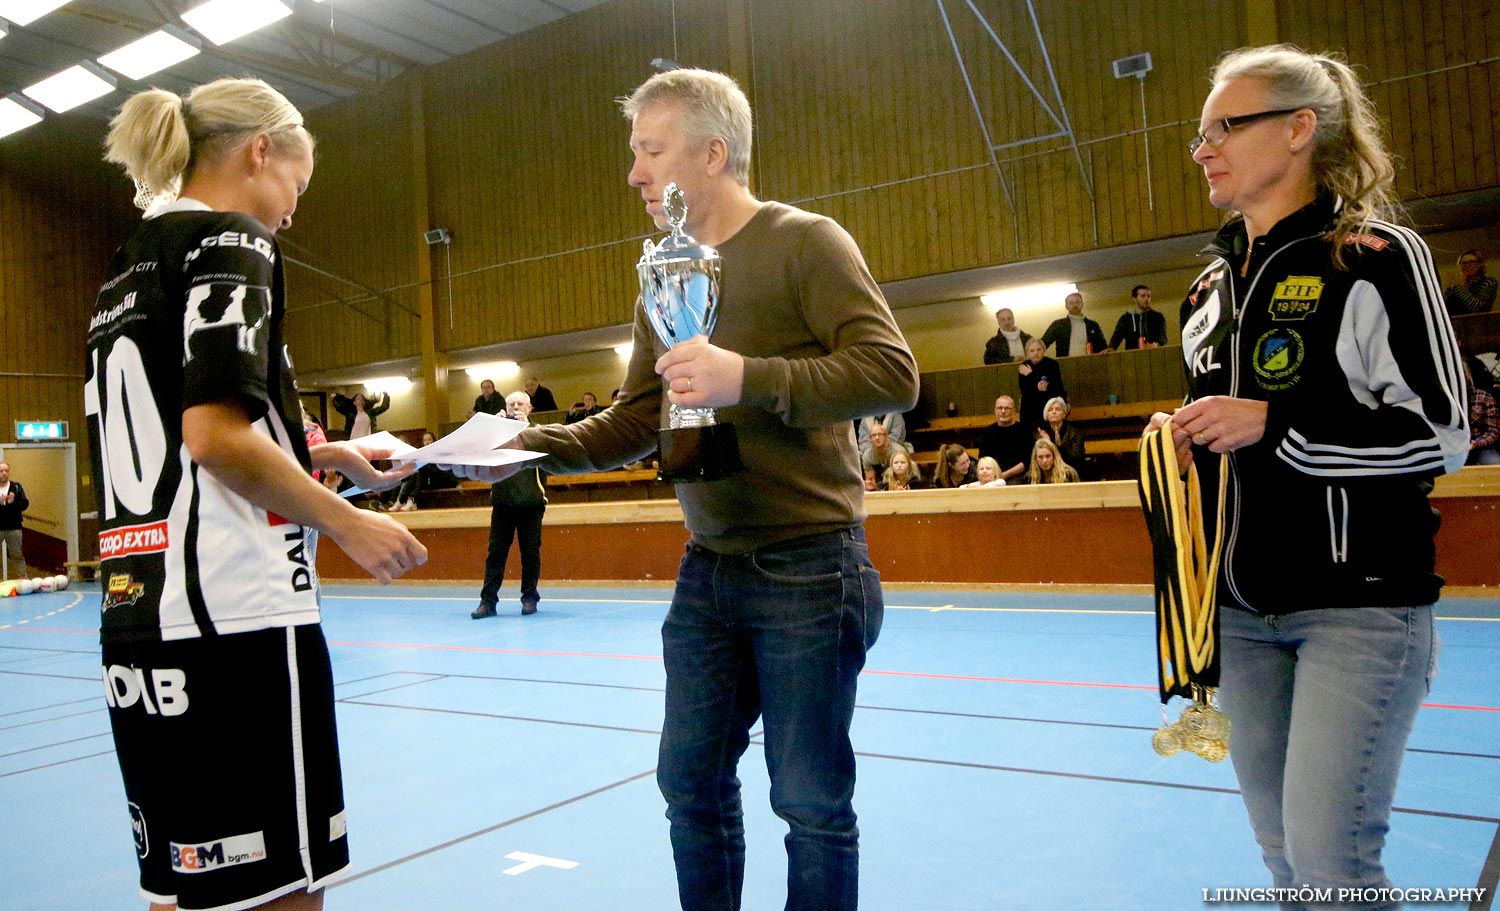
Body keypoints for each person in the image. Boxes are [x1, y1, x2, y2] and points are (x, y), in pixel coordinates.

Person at [450, 67, 918, 911]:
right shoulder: (660, 274)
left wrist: (747, 376)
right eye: (634, 153)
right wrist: (526, 448)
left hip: (809, 565)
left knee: (810, 801)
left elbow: (892, 373)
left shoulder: (807, 241)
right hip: (708, 567)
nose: (634, 173)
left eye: (650, 151)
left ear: (713, 153)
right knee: (689, 783)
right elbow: (636, 415)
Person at [91, 77, 428, 911]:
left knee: (180, 887)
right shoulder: (231, 242)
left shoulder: (128, 262)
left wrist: (324, 452)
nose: (291, 212)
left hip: (139, 615)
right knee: (284, 888)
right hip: (238, 617)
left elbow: (181, 439)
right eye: (296, 187)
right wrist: (347, 520)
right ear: (260, 151)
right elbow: (215, 440)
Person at [1154, 45, 1468, 908]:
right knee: (1285, 861)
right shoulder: (1205, 295)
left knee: (1334, 867)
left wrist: (1275, 426)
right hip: (1243, 616)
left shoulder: (1373, 259)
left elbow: (1442, 433)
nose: (1204, 147)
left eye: (1227, 125)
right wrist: (1186, 442)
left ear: (1298, 130)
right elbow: (1228, 449)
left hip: (1358, 610)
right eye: (1200, 133)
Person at [472, 392, 546, 618]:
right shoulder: (496, 434)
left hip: (531, 503)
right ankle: (488, 601)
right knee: (495, 553)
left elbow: (548, 458)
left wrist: (527, 431)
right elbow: (478, 454)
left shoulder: (540, 431)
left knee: (530, 553)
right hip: (503, 503)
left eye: (520, 403)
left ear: (530, 407)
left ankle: (530, 597)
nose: (515, 407)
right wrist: (492, 430)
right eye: (511, 403)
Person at [976, 395, 1031, 482]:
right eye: (1000, 408)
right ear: (995, 410)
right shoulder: (988, 432)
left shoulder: (1024, 431)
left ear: (1014, 411)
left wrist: (1004, 475)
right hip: (992, 476)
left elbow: (1027, 461)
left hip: (1018, 476)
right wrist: (994, 475)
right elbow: (983, 458)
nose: (1003, 411)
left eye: (1007, 408)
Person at [1017, 337, 1065, 432]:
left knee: (1050, 402)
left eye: (1039, 350)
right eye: (1032, 350)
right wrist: (1037, 386)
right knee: (1026, 401)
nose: (1036, 353)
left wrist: (1031, 375)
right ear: (1027, 353)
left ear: (1044, 350)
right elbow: (1025, 390)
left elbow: (1056, 387)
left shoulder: (1052, 364)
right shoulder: (1024, 366)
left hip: (1050, 399)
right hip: (1031, 402)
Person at [1040, 291, 1107, 357]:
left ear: (1082, 304)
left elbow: (1103, 348)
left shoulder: (1093, 325)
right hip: (1065, 364)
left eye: (1077, 302)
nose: (1075, 305)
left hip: (1090, 363)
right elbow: (1042, 344)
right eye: (1071, 303)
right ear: (1066, 306)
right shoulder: (1058, 325)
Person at [1035, 396, 1087, 475]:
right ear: (1046, 415)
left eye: (1057, 409)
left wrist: (1060, 446)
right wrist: (1048, 444)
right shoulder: (1040, 434)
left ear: (1064, 414)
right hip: (1046, 473)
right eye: (1050, 410)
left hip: (1070, 472)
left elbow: (1078, 460)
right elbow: (1036, 460)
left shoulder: (1075, 434)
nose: (1054, 412)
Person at [1108, 285, 1169, 350]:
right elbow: (1117, 337)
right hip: (1132, 356)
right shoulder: (1126, 318)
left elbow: (1163, 337)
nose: (1146, 299)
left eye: (1148, 296)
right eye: (1143, 296)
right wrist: (1111, 348)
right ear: (1134, 298)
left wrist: (1155, 344)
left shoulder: (1157, 317)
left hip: (1153, 354)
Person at [1464, 359, 1500, 465]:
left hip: (1480, 448)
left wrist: (1475, 443)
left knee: (1494, 463)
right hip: (1452, 450)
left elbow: (1493, 432)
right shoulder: (1445, 400)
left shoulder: (1484, 397)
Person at [1444, 249, 1496, 316]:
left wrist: (1459, 288)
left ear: (1480, 264)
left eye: (1471, 262)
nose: (1467, 265)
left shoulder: (1489, 282)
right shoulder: (1455, 286)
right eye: (1464, 263)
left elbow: (1479, 309)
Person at [0, 461, 29, 578]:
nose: (4, 473)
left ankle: (24, 580)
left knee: (17, 555)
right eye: (1, 471)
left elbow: (25, 504)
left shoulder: (16, 487)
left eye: (6, 471)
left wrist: (13, 502)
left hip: (14, 527)